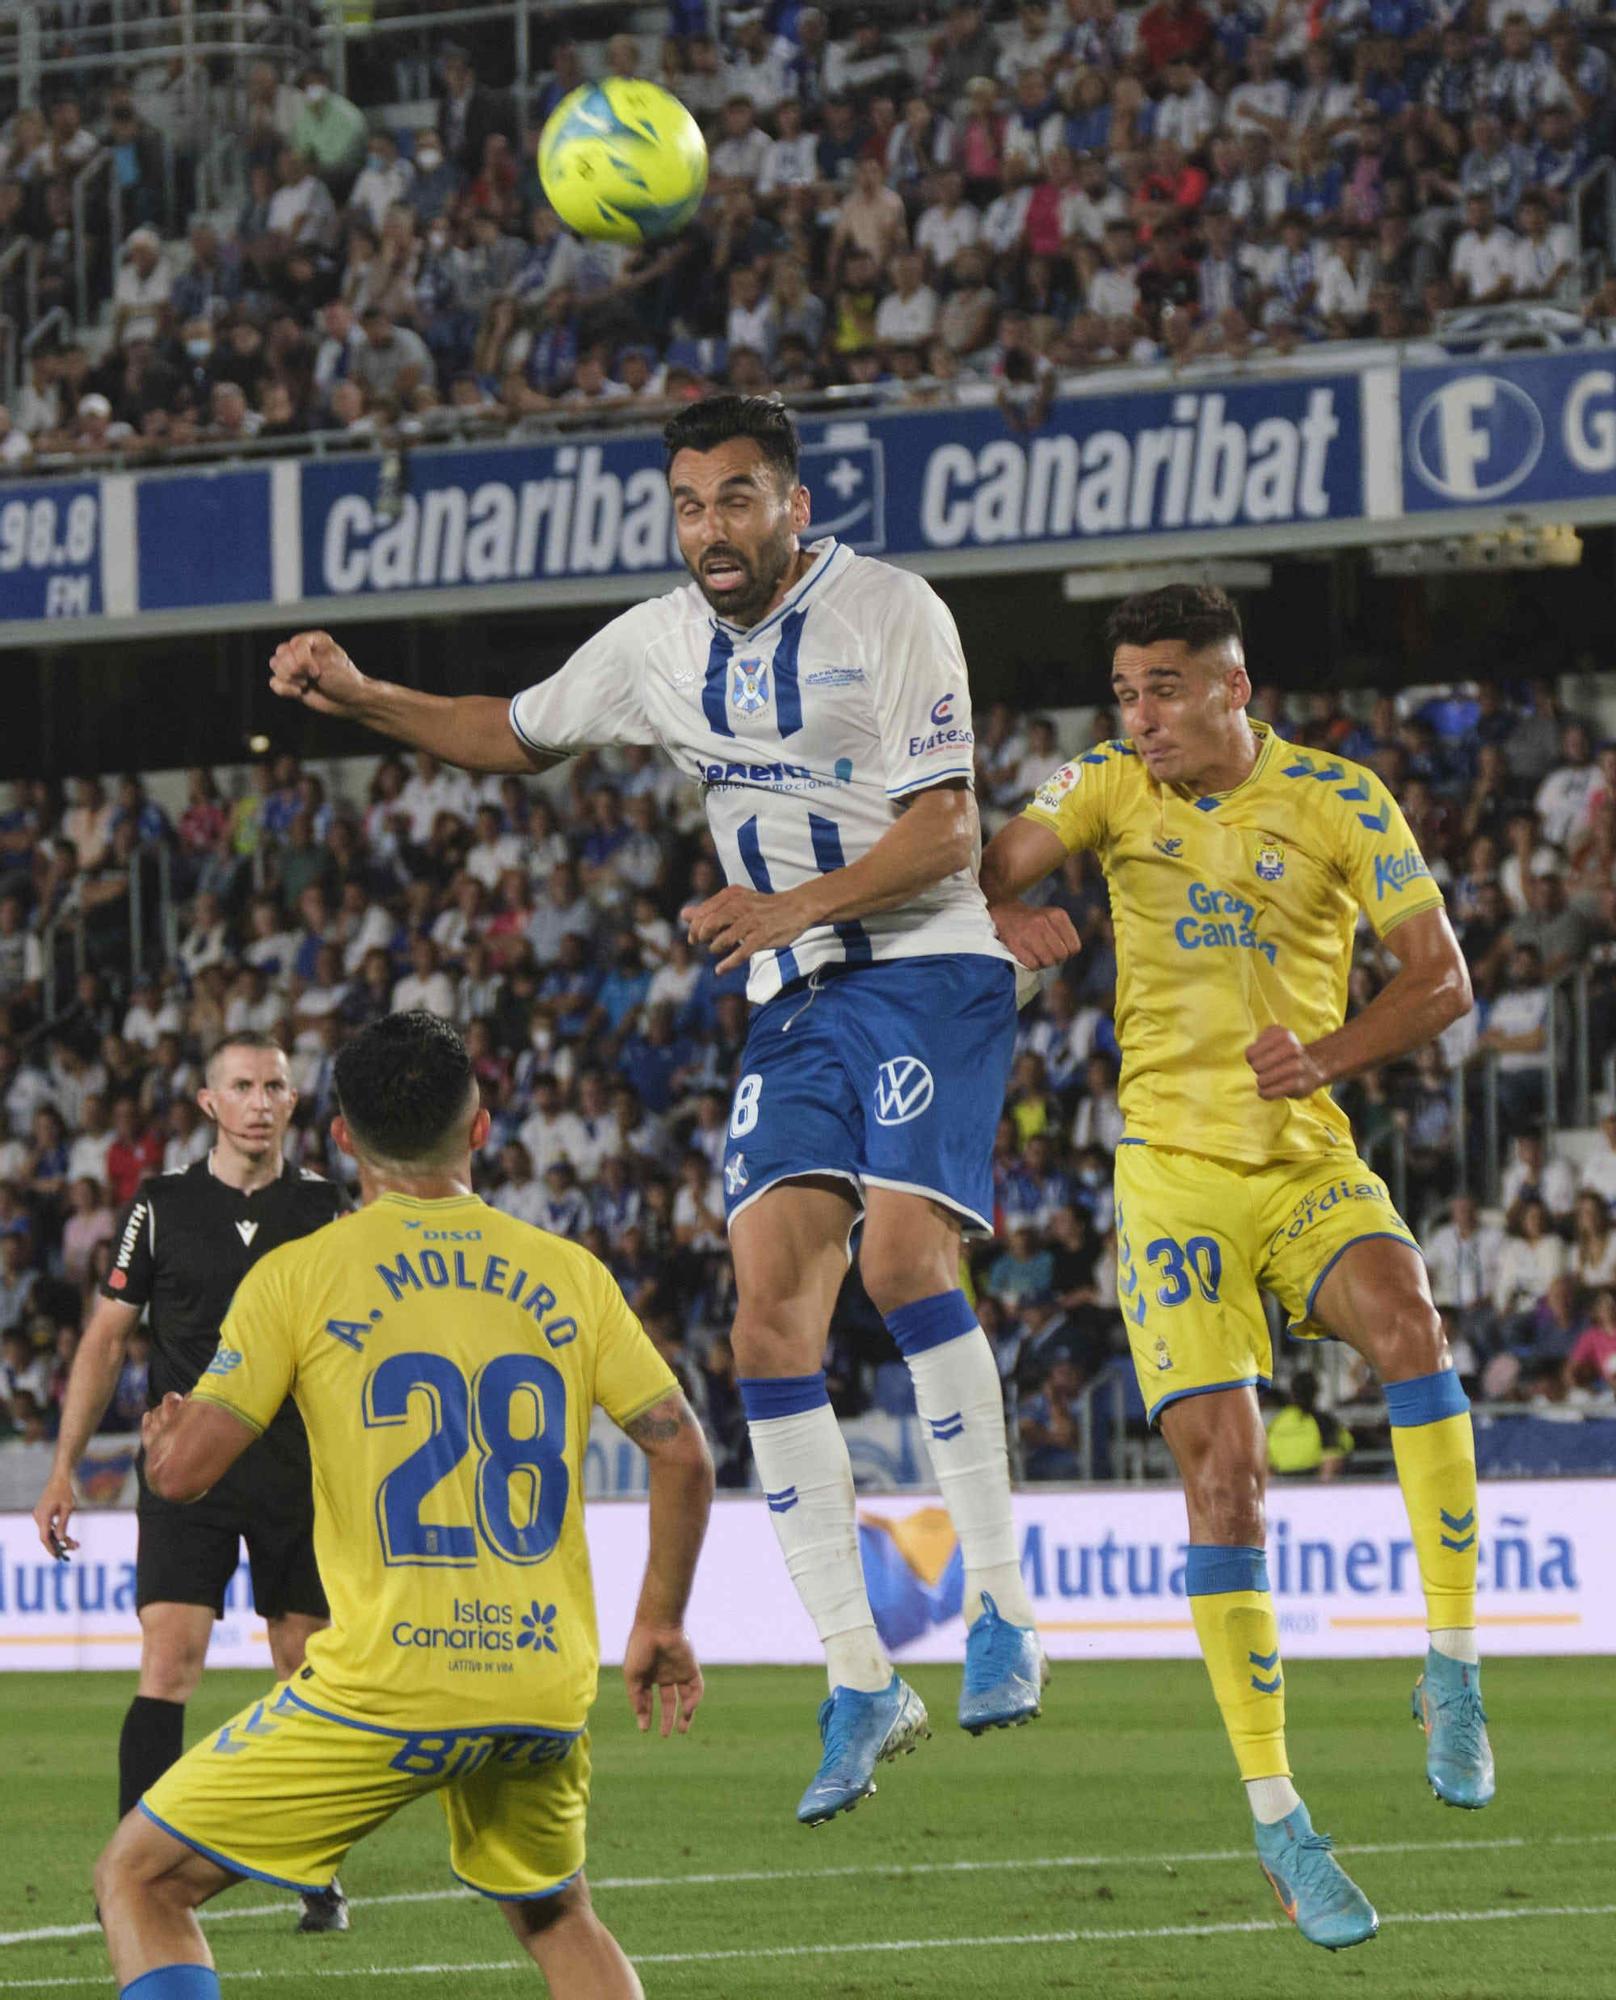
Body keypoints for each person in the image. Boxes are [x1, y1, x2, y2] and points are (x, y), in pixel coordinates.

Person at [268, 393, 1044, 1827]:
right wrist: (365, 693)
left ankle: (998, 1606)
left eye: (740, 500)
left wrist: (787, 905)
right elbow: (511, 733)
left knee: (899, 1262)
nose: (714, 530)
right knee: (763, 1324)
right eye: (691, 505)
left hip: (929, 968)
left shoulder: (893, 610)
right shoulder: (655, 644)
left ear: (795, 504)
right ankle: (863, 1678)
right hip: (795, 997)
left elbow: (951, 831)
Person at [980, 585, 1492, 1952]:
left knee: (1411, 1326)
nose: (1140, 716)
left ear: (1234, 689)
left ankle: (1450, 1667)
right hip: (1173, 1182)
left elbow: (1442, 980)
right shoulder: (1102, 787)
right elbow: (979, 864)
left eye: (1164, 689)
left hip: (1304, 1155)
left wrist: (1323, 1056)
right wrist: (1007, 915)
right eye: (1127, 693)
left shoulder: (1341, 800)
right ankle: (1280, 1820)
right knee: (1226, 1475)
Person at [93, 1012, 713, 2000]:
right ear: (479, 1126)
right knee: (556, 1911)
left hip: (387, 1681)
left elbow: (181, 1474)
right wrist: (660, 1619)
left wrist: (169, 1433)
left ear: (338, 1137)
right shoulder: (570, 1273)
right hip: (540, 1678)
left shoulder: (298, 1274)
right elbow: (681, 1452)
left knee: (138, 1875)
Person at [33, 1032, 351, 1935]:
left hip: (297, 1473)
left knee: (307, 1671)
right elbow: (104, 1339)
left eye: (276, 1087)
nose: (260, 1101)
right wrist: (63, 1468)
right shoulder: (162, 1204)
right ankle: (128, 1874)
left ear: (294, 1103)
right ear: (209, 1102)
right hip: (186, 1475)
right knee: (170, 1662)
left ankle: (315, 1868)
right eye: (242, 1086)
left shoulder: (326, 1209)